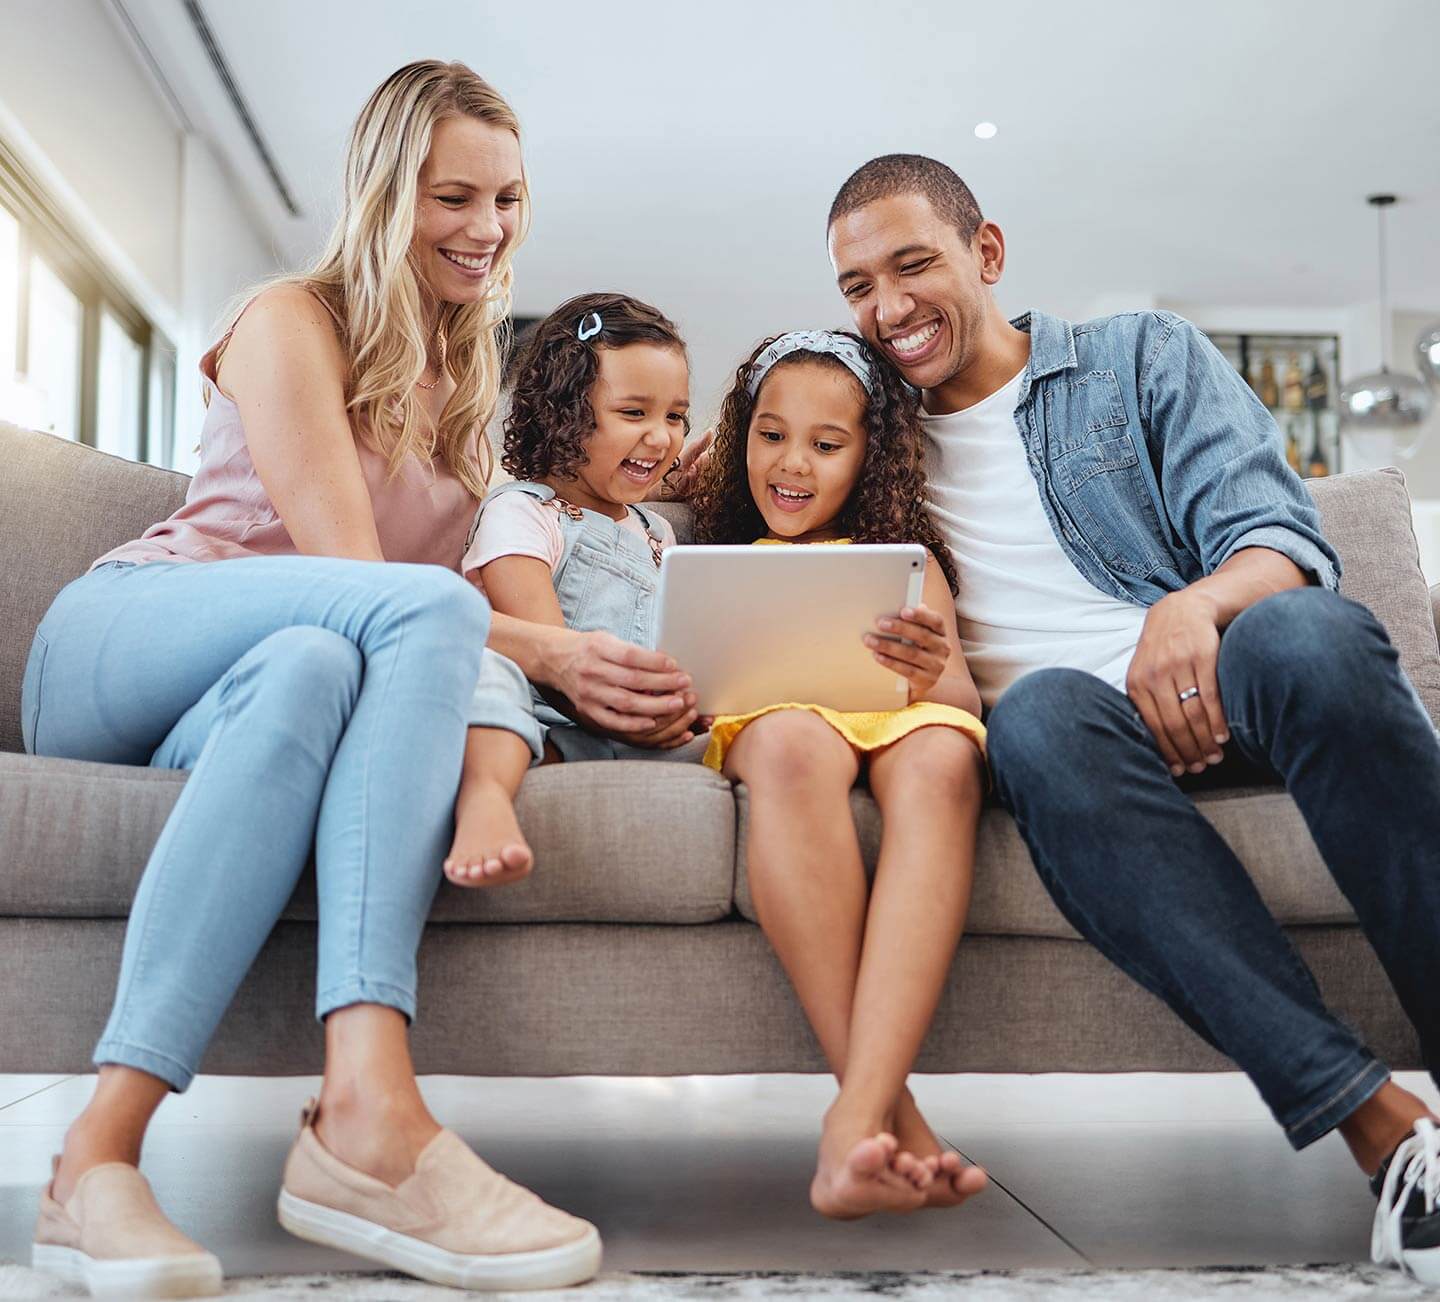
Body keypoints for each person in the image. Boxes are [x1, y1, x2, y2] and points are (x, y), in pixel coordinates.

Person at [23, 61, 599, 1296]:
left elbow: (373, 631)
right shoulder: (293, 316)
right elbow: (365, 574)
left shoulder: (461, 398)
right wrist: (555, 654)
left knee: (310, 668)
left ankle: (95, 1160)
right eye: (454, 196)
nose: (487, 230)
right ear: (387, 193)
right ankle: (367, 1114)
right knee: (392, 612)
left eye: (506, 199)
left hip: (260, 683)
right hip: (129, 637)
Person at [825, 152, 1440, 1284]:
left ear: (987, 252)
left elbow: (1279, 543)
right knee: (1043, 715)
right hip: (1069, 746)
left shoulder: (1138, 359)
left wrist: (1188, 610)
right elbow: (730, 465)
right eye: (858, 286)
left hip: (1222, 676)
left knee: (1303, 631)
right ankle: (1388, 1135)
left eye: (913, 265)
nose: (889, 307)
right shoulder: (862, 437)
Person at [689, 329, 989, 1218]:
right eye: (769, 434)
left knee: (943, 757)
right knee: (789, 743)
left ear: (871, 457)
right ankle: (885, 1118)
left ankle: (855, 1121)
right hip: (783, 724)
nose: (791, 465)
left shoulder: (908, 564)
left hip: (899, 718)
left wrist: (932, 669)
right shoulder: (719, 554)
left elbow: (964, 700)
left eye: (827, 445)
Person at [444, 291, 700, 887]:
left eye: (675, 417)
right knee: (491, 677)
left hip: (640, 729)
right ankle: (484, 800)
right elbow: (546, 648)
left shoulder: (656, 530)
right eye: (634, 413)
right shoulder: (522, 512)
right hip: (547, 719)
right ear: (564, 414)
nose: (661, 438)